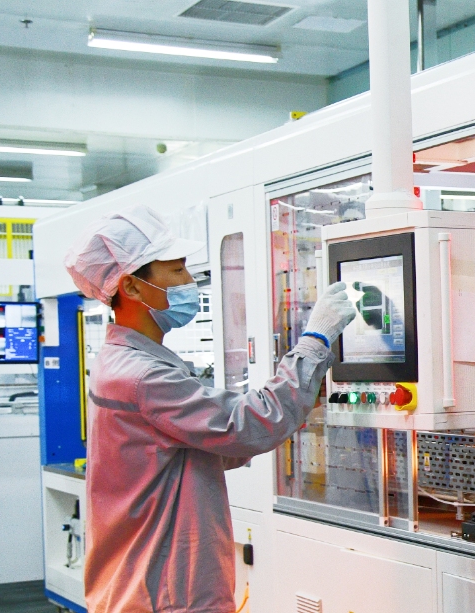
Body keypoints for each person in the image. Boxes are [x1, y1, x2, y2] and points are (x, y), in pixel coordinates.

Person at [63, 204, 355, 613]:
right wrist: (314, 342)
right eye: (177, 269)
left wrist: (297, 399)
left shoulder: (130, 361)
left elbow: (213, 447)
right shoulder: (140, 376)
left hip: (144, 584)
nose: (189, 280)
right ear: (130, 287)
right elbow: (248, 426)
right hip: (162, 594)